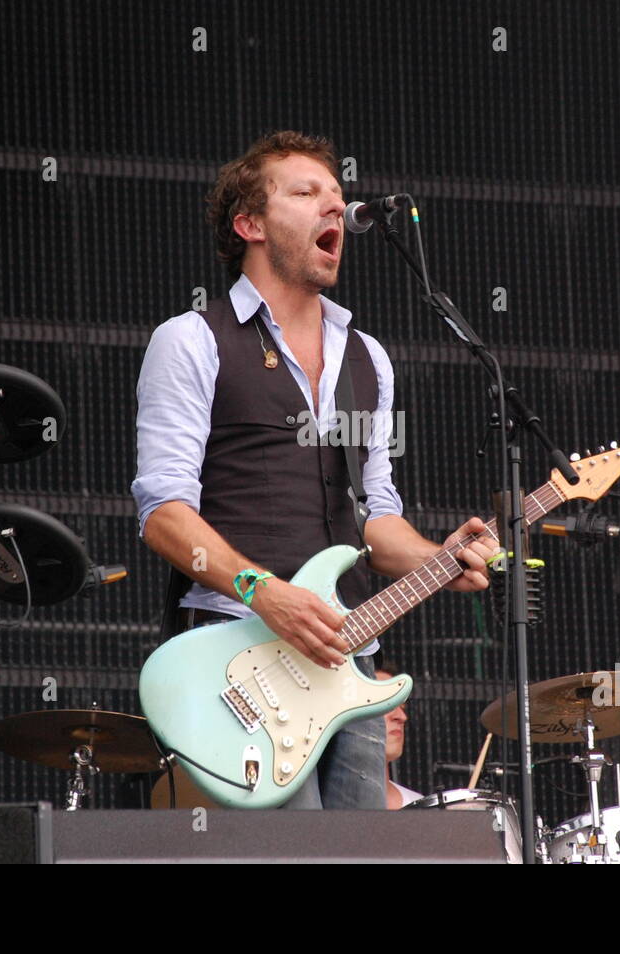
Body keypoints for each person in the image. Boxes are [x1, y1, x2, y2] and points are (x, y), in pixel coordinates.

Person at [132, 130, 497, 810]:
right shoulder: (192, 340)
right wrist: (263, 590)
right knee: (287, 855)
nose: (335, 209)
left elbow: (374, 515)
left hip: (348, 656)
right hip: (235, 657)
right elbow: (163, 514)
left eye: (338, 196)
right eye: (305, 194)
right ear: (250, 225)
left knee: (357, 856)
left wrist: (438, 555)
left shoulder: (368, 357)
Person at [377, 666, 423, 808]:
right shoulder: (319, 805)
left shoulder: (421, 809)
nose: (402, 717)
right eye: (386, 704)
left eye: (402, 707)